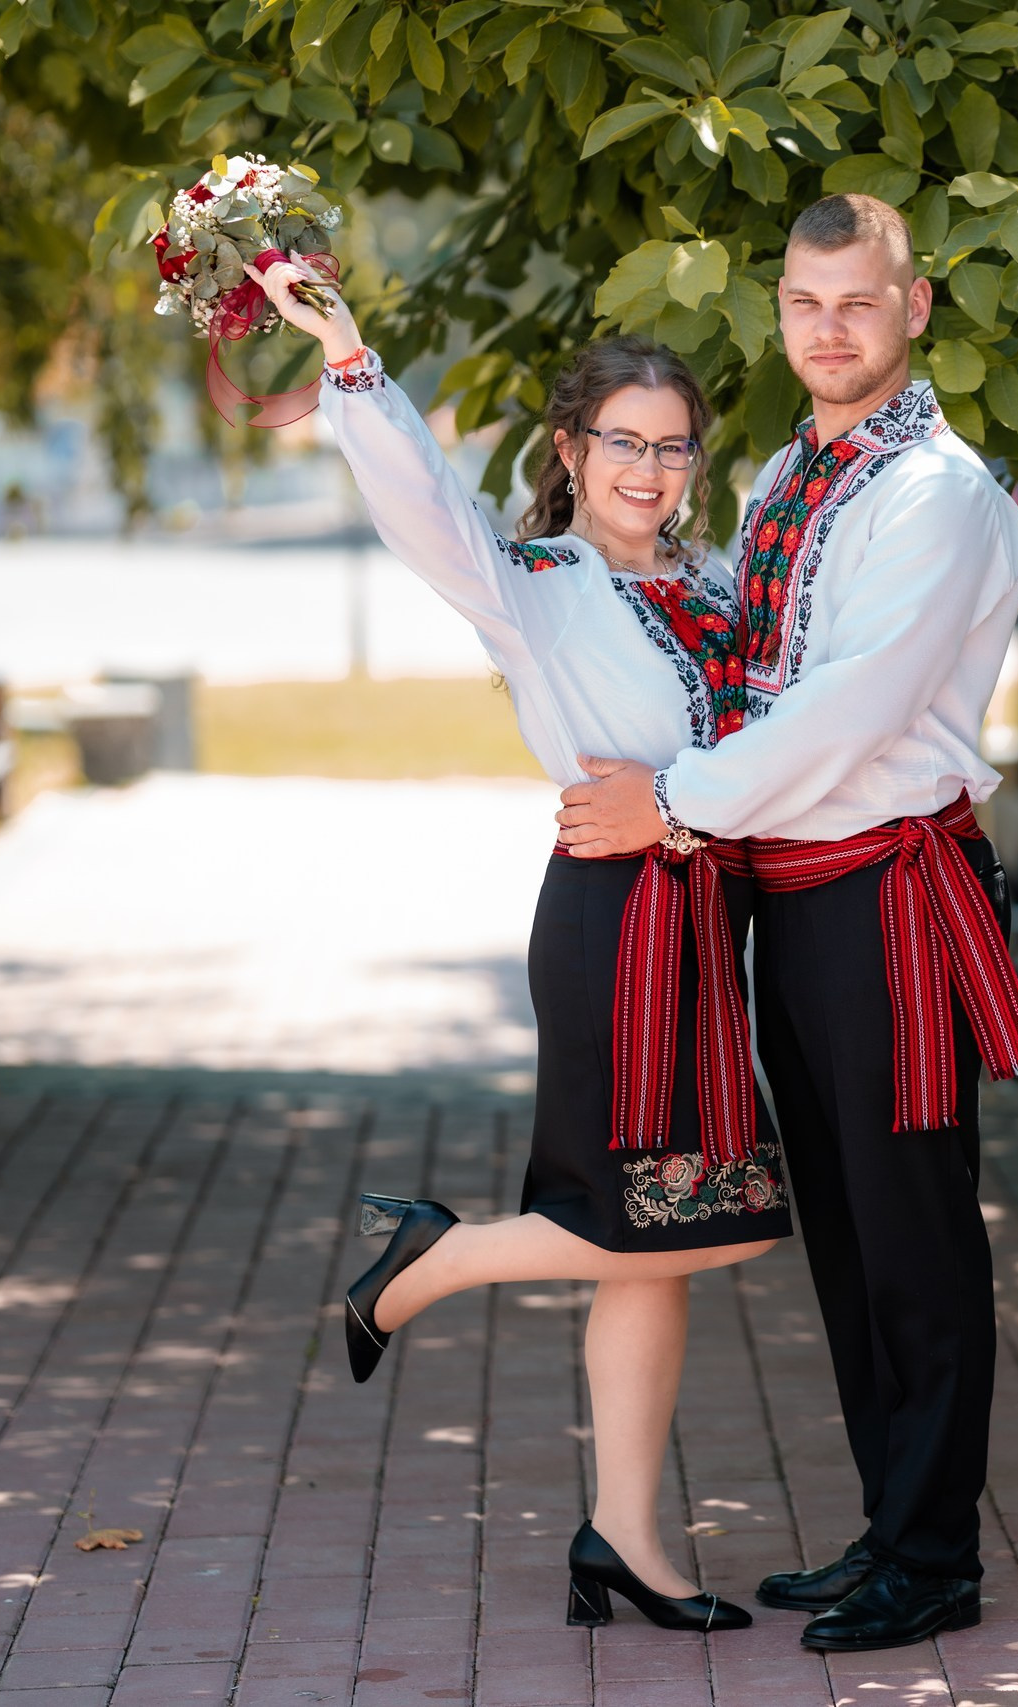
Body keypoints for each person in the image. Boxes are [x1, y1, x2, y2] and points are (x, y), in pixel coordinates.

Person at [247, 257, 782, 1636]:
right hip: (612, 916)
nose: (650, 469)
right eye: (624, 442)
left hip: (705, 918)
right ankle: (429, 1258)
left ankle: (625, 1535)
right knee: (660, 1221)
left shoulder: (718, 586)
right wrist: (356, 362)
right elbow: (429, 515)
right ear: (571, 449)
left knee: (658, 1241)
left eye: (672, 446)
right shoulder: (536, 583)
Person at [552, 193, 1018, 1654]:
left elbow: (849, 710)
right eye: (804, 302)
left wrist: (675, 801)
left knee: (915, 1228)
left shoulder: (937, 494)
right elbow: (742, 644)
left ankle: (935, 1554)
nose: (828, 327)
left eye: (858, 300)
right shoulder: (788, 471)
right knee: (844, 1227)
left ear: (917, 305)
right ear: (782, 310)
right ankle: (891, 1526)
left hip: (888, 892)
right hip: (798, 895)